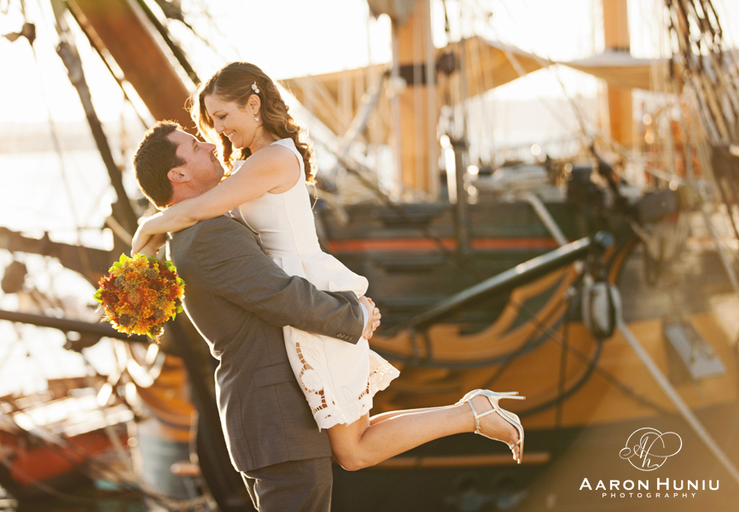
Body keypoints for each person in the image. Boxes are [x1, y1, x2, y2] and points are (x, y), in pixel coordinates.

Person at [132, 62, 524, 509]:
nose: (213, 136)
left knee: (353, 447)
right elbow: (203, 220)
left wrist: (150, 228)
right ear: (178, 175)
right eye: (205, 131)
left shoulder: (269, 162)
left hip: (313, 297)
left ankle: (472, 413)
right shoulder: (226, 196)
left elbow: (194, 212)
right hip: (307, 310)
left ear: (254, 105)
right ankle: (471, 412)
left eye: (221, 118)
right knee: (353, 448)